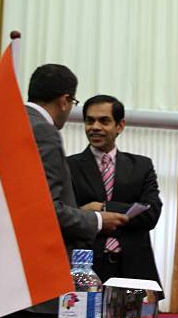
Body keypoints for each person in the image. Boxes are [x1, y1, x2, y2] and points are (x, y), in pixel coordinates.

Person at [0, 65, 127, 318]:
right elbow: (45, 211)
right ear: (64, 100)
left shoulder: (7, 123)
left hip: (5, 269)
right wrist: (96, 220)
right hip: (34, 274)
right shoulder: (43, 131)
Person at [67, 95, 163, 290]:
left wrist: (101, 208)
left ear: (120, 126)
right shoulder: (68, 166)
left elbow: (151, 214)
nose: (95, 127)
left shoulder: (141, 166)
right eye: (89, 120)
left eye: (104, 121)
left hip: (132, 268)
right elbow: (66, 216)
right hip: (85, 269)